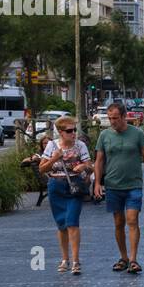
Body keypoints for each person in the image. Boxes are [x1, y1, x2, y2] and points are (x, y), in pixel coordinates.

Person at [94, 102, 144, 274]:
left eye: (115, 118)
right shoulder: (104, 136)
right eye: (110, 118)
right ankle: (123, 257)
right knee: (118, 222)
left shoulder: (138, 134)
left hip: (133, 184)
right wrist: (97, 183)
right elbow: (99, 161)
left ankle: (134, 259)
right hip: (113, 185)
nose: (112, 121)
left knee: (132, 220)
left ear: (123, 116)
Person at [39, 116, 92, 273]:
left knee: (72, 222)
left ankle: (76, 261)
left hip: (74, 186)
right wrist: (54, 158)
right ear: (61, 132)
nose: (73, 133)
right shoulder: (52, 145)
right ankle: (64, 259)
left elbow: (90, 167)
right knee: (61, 224)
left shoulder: (80, 145)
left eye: (74, 130)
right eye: (69, 131)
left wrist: (83, 166)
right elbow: (42, 169)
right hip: (56, 186)